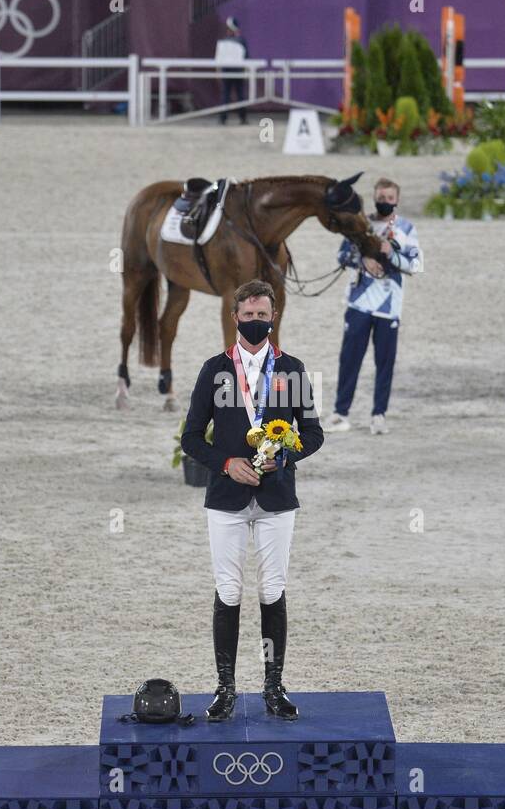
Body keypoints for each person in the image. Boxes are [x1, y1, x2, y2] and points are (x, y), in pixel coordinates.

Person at [181, 279, 324, 722]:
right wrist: (226, 464)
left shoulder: (291, 370)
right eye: (249, 316)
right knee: (228, 591)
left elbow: (314, 434)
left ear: (273, 317)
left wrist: (283, 455)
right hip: (226, 497)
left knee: (272, 589)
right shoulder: (215, 371)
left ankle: (273, 686)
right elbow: (189, 438)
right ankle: (225, 687)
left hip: (276, 496)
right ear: (235, 317)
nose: (256, 323)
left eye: (263, 316)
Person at [326, 177, 423, 435]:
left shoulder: (406, 228)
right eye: (381, 197)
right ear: (374, 197)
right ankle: (340, 413)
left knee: (385, 361)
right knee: (349, 359)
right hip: (358, 303)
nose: (385, 202)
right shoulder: (361, 224)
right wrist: (364, 259)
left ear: (397, 200)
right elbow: (341, 255)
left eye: (389, 198)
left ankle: (379, 414)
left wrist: (391, 254)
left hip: (389, 306)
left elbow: (416, 265)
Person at [215, 17, 248, 126]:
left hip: (230, 71)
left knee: (227, 95)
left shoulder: (224, 41)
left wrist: (218, 71)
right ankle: (241, 118)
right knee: (237, 95)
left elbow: (218, 59)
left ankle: (223, 119)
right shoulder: (240, 41)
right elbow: (247, 57)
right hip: (236, 71)